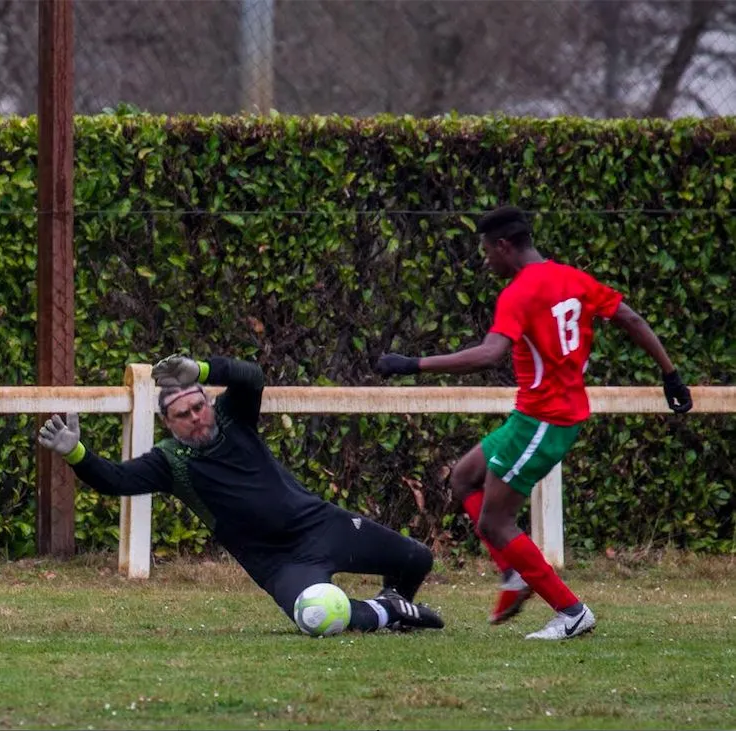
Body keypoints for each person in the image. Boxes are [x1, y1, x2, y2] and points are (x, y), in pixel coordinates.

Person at [374, 205, 693, 640]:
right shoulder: (572, 278)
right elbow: (630, 318)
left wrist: (412, 364)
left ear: (504, 246)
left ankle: (571, 611)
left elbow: (489, 354)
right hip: (539, 415)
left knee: (495, 523)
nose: (485, 260)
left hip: (543, 421)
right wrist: (671, 375)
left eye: (486, 251)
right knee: (464, 477)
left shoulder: (519, 292)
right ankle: (513, 572)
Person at [37, 354, 445, 636]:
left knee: (417, 558)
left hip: (322, 526)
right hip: (279, 563)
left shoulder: (234, 417)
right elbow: (114, 480)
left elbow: (250, 376)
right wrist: (76, 452)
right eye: (182, 414)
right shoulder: (169, 461)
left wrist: (200, 367)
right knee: (318, 616)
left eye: (198, 406)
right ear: (169, 423)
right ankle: (387, 610)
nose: (195, 417)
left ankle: (396, 606)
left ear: (209, 403)